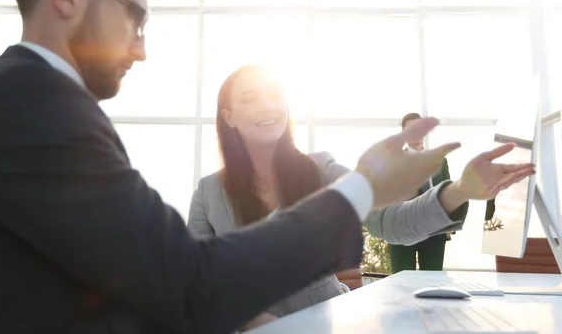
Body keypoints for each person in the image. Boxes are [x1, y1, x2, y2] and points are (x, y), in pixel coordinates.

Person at [0, 0, 534, 333]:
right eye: (135, 18)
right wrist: (360, 185)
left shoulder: (19, 100)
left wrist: (452, 190)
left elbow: (134, 280)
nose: (140, 46)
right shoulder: (32, 102)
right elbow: (187, 282)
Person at [188, 66, 532, 329]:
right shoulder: (208, 193)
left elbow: (390, 220)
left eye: (274, 96)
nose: (268, 107)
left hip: (327, 324)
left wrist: (460, 190)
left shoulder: (320, 170)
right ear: (228, 117)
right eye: (250, 98)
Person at [389, 113, 465, 273]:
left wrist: (449, 224)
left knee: (432, 282)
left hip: (434, 232)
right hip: (402, 230)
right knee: (400, 283)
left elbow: (447, 193)